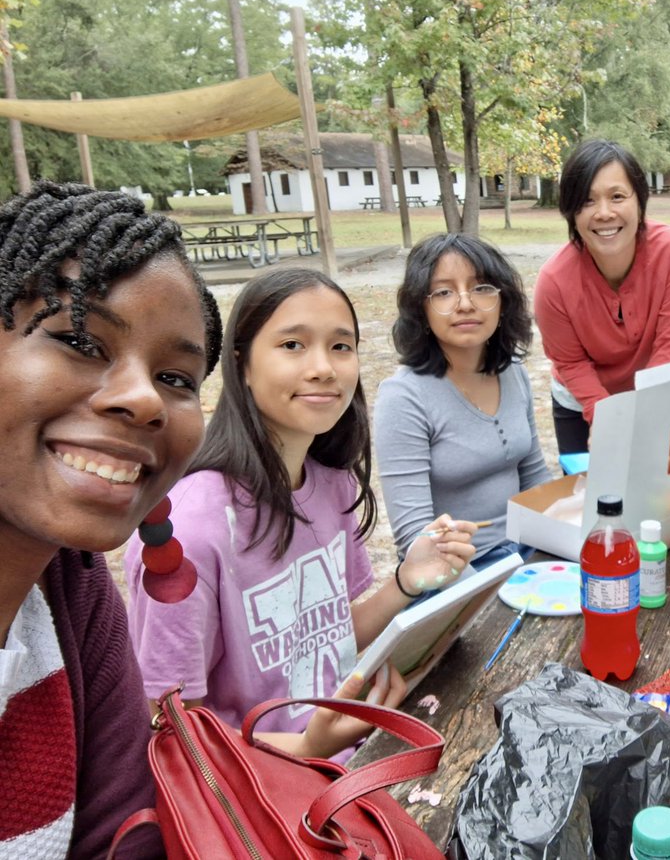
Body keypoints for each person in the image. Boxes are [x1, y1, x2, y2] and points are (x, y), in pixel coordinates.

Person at [125, 268, 473, 761]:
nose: (324, 369)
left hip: (354, 753)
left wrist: (406, 582)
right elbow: (171, 733)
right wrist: (308, 746)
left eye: (340, 346)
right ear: (241, 364)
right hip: (260, 798)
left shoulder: (332, 483)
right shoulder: (186, 531)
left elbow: (327, 638)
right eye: (292, 345)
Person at [0, 181, 223, 857]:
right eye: (80, 341)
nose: (143, 400)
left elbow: (124, 835)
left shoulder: (71, 594)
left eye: (177, 379)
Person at [375, 233, 551, 568]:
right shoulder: (403, 397)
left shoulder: (513, 373)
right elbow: (415, 537)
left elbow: (535, 479)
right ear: (420, 307)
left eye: (482, 287)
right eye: (443, 292)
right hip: (459, 571)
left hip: (529, 553)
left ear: (504, 300)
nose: (465, 303)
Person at [535, 139, 670, 455]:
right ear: (571, 211)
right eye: (587, 201)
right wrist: (606, 418)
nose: (604, 213)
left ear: (640, 201)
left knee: (657, 489)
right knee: (589, 495)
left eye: (617, 196)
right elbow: (571, 362)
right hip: (580, 400)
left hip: (654, 392)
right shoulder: (553, 282)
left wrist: (642, 415)